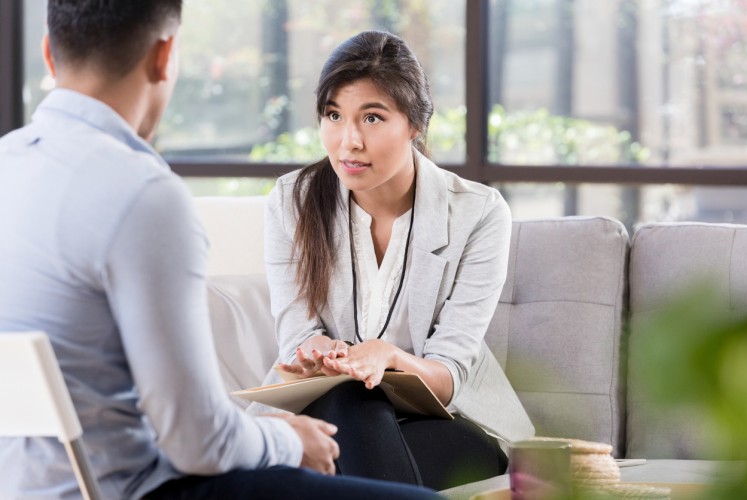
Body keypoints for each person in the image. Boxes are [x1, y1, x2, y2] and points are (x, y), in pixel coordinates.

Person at [0, 3, 439, 499]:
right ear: (165, 56)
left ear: (47, 52)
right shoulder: (143, 194)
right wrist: (288, 441)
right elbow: (196, 441)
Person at [258, 30, 535, 490]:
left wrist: (391, 359)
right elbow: (296, 337)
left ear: (415, 124)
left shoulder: (479, 212)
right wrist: (321, 354)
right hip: (334, 415)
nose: (348, 142)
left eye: (371, 117)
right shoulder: (293, 201)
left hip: (449, 423)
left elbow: (451, 376)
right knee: (345, 397)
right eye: (333, 115)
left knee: (339, 429)